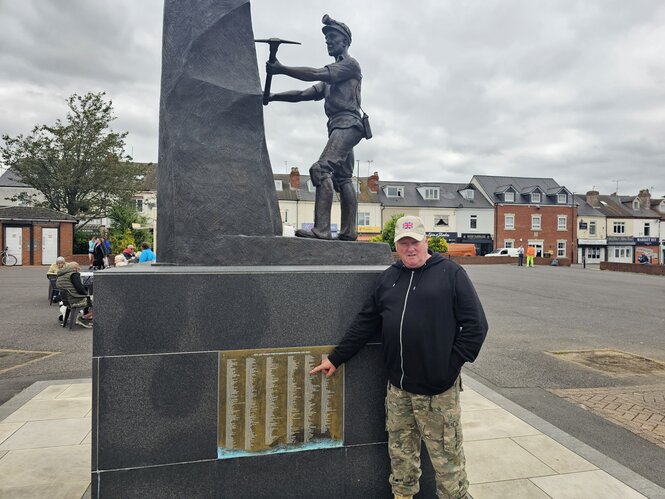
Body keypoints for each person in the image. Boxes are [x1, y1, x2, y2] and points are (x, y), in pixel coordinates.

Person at [310, 215, 488, 499]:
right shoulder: (389, 278)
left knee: (448, 465)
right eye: (403, 243)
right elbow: (366, 322)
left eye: (414, 242)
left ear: (425, 241)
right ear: (397, 246)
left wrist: (449, 367)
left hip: (437, 393)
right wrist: (337, 358)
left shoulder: (451, 275)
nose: (410, 249)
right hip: (399, 392)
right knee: (401, 461)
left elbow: (476, 326)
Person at [266, 14, 369, 241]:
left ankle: (321, 230)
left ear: (345, 40)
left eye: (332, 37)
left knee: (320, 170)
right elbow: (303, 94)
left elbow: (316, 72)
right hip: (339, 127)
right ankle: (349, 232)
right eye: (326, 39)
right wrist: (273, 96)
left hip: (347, 125)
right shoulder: (331, 80)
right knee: (343, 179)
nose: (329, 42)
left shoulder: (349, 66)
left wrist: (281, 69)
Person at [56, 262, 93, 328]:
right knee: (99, 301)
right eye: (78, 269)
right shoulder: (74, 274)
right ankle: (83, 318)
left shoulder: (61, 275)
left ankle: (83, 318)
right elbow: (80, 289)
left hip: (67, 300)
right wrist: (86, 295)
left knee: (91, 300)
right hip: (75, 299)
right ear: (75, 268)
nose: (78, 271)